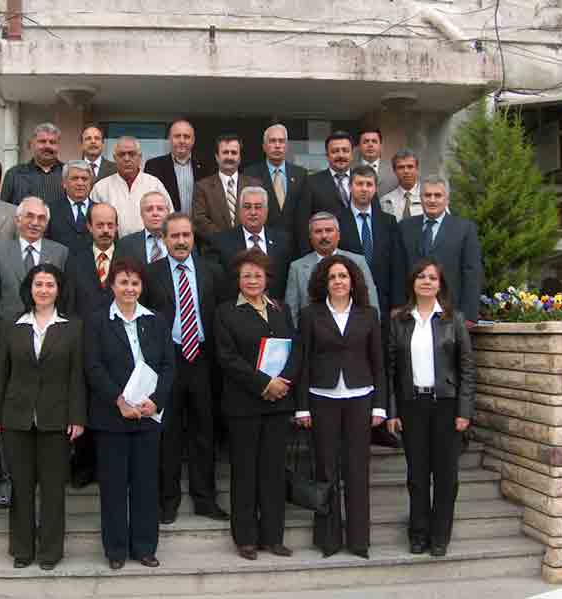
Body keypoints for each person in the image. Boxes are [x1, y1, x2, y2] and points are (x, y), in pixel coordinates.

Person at [0, 263, 86, 570]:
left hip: (56, 418)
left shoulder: (73, 327)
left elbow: (76, 376)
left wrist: (77, 417)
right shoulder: (12, 326)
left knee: (54, 487)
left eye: (50, 285)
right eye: (38, 284)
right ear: (29, 289)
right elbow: (1, 374)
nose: (43, 290)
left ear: (58, 290)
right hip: (16, 417)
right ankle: (22, 549)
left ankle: (50, 552)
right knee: (21, 485)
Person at [84, 257, 175, 570]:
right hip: (112, 417)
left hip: (149, 416)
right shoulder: (97, 321)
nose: (129, 288)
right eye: (123, 282)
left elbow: (167, 366)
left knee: (146, 485)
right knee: (113, 486)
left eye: (135, 283)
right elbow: (93, 366)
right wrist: (118, 399)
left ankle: (145, 547)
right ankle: (116, 550)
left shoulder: (156, 321)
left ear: (142, 287)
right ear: (112, 285)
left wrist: (156, 401)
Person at [295, 255, 386, 559]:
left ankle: (359, 541)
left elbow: (379, 363)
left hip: (361, 396)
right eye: (332, 277)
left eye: (343, 276)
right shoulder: (310, 315)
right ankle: (328, 540)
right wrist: (302, 407)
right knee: (325, 469)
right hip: (322, 397)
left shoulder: (368, 314)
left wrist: (380, 407)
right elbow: (303, 362)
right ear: (324, 282)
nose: (338, 281)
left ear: (353, 281)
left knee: (358, 470)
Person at [214, 249, 300, 561]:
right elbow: (227, 358)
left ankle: (273, 537)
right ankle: (246, 538)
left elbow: (295, 351)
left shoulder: (281, 309)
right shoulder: (225, 313)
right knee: (245, 473)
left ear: (267, 279)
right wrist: (263, 383)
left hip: (278, 403)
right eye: (246, 275)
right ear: (238, 279)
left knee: (273, 472)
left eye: (258, 275)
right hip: (243, 405)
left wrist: (282, 383)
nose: (252, 280)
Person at [386, 258, 475, 557]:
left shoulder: (454, 320)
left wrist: (464, 411)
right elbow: (391, 370)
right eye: (421, 277)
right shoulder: (399, 320)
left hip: (447, 406)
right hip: (412, 406)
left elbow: (467, 370)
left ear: (440, 284)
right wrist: (393, 410)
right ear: (413, 282)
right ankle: (418, 533)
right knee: (417, 475)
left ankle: (440, 536)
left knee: (446, 476)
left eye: (432, 278)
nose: (426, 281)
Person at [143, 213, 227, 524]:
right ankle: (168, 500)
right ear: (164, 240)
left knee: (204, 430)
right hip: (168, 361)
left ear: (193, 239)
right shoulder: (151, 274)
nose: (180, 242)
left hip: (203, 360)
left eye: (186, 236)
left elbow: (221, 316)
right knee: (169, 433)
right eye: (174, 236)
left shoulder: (212, 272)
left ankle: (205, 499)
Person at [64, 202, 119, 487]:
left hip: (120, 346)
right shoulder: (74, 260)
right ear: (89, 227)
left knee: (112, 405)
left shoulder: (128, 258)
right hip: (85, 344)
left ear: (117, 227)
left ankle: (109, 467)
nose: (106, 230)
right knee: (84, 404)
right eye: (100, 225)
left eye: (110, 225)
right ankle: (83, 465)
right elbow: (69, 305)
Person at [398, 175, 483, 324]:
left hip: (451, 312)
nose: (432, 200)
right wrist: (397, 306)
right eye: (427, 195)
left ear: (447, 199)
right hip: (411, 310)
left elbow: (472, 272)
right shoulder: (405, 227)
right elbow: (397, 268)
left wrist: (469, 314)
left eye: (438, 195)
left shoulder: (465, 229)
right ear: (421, 198)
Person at [337, 165, 405, 334]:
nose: (364, 189)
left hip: (383, 304)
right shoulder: (337, 221)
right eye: (359, 184)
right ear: (350, 187)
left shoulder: (388, 222)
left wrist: (397, 304)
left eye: (369, 184)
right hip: (348, 301)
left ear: (375, 189)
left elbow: (397, 265)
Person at [285, 211, 379, 327]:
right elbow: (291, 313)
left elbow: (371, 304)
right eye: (318, 231)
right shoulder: (297, 268)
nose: (324, 236)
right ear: (310, 236)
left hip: (354, 337)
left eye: (329, 230)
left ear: (338, 235)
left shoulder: (358, 262)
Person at [0, 197, 68, 332]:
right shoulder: (0, 252)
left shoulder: (60, 253)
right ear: (18, 220)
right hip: (8, 331)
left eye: (41, 218)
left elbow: (64, 296)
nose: (35, 223)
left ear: (47, 224)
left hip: (49, 333)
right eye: (29, 216)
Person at [209, 187, 292, 301]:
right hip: (237, 313)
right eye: (247, 207)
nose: (253, 212)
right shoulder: (222, 242)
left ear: (266, 210)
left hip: (275, 312)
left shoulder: (283, 240)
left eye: (258, 207)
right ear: (239, 210)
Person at [90, 136, 172, 238]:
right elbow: (92, 223)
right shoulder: (101, 187)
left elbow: (170, 219)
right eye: (121, 154)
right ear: (115, 158)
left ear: (140, 157)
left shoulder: (154, 184)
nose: (127, 158)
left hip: (149, 247)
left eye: (131, 154)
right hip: (113, 248)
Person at [192, 134, 261, 247]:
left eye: (234, 153)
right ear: (217, 157)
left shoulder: (255, 185)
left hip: (248, 250)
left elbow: (261, 216)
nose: (229, 157)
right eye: (225, 152)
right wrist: (227, 240)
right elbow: (200, 220)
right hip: (214, 251)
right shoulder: (202, 187)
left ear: (239, 157)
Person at [243, 124, 307, 244]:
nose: (277, 145)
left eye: (281, 141)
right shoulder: (250, 174)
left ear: (286, 146)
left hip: (295, 244)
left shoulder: (300, 174)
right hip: (264, 243)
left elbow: (304, 213)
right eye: (272, 141)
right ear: (264, 146)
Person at [295, 130, 355, 255]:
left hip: (359, 254)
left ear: (352, 154)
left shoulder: (363, 181)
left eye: (345, 150)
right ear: (327, 155)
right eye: (335, 151)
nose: (340, 155)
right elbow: (303, 225)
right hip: (324, 256)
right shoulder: (311, 182)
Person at [144, 120, 205, 214]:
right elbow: (148, 200)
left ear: (193, 141)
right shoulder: (153, 166)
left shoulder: (205, 166)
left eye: (186, 137)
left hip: (198, 227)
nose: (182, 141)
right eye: (177, 136)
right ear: (169, 139)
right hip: (167, 226)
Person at [1, 123, 65, 207]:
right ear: (32, 144)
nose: (47, 146)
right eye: (42, 141)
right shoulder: (14, 175)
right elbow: (4, 212)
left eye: (52, 142)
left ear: (58, 146)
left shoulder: (68, 173)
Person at [45, 160, 97, 255]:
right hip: (60, 267)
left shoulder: (100, 211)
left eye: (84, 179)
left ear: (91, 184)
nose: (80, 183)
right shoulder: (50, 210)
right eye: (75, 178)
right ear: (64, 183)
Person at [114, 191, 171, 265]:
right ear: (141, 214)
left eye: (160, 209)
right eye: (149, 209)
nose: (155, 213)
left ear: (168, 213)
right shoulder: (125, 244)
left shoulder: (179, 241)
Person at [380, 149, 422, 222]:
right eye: (401, 167)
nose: (406, 171)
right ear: (394, 171)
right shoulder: (386, 201)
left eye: (410, 166)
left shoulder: (431, 197)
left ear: (417, 169)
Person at [355, 127, 397, 197]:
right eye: (366, 142)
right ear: (359, 146)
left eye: (374, 141)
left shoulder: (393, 170)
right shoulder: (350, 170)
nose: (370, 145)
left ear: (381, 145)